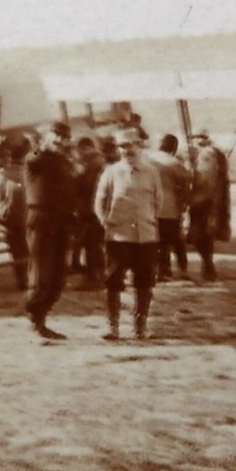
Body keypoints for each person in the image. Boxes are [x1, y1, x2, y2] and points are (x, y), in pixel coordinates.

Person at [93, 133, 163, 340]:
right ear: (118, 149)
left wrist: (148, 220)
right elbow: (100, 201)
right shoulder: (111, 172)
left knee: (144, 282)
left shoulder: (151, 172)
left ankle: (140, 326)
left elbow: (158, 201)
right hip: (118, 237)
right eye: (123, 146)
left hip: (146, 237)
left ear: (140, 146)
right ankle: (112, 326)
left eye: (131, 145)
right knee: (113, 282)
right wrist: (107, 222)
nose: (128, 150)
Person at [24, 123, 76, 341]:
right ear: (46, 137)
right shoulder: (37, 157)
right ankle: (35, 322)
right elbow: (33, 156)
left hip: (61, 220)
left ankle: (41, 319)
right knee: (42, 272)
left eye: (63, 137)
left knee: (58, 276)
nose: (59, 141)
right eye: (55, 136)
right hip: (42, 218)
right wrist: (40, 143)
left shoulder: (62, 161)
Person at [186, 129, 229, 282]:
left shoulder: (206, 154)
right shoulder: (216, 153)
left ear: (204, 139)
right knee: (205, 236)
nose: (195, 141)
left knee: (199, 236)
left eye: (198, 138)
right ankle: (208, 267)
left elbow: (207, 179)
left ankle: (208, 268)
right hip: (211, 201)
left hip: (204, 201)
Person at [148, 134, 192, 279]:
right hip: (169, 208)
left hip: (150, 207)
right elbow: (186, 183)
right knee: (175, 240)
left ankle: (161, 270)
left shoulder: (147, 159)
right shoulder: (174, 163)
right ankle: (182, 268)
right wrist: (184, 204)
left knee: (156, 241)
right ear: (174, 148)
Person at [69, 136, 107, 288]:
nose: (77, 154)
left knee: (92, 244)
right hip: (92, 209)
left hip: (91, 210)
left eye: (79, 150)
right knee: (92, 244)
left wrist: (75, 178)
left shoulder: (94, 164)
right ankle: (98, 275)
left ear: (85, 148)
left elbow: (88, 187)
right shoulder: (95, 163)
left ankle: (94, 278)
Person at [0, 135, 31, 291]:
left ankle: (22, 281)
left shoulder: (1, 176)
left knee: (17, 250)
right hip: (30, 218)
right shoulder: (30, 173)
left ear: (10, 157)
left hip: (10, 219)